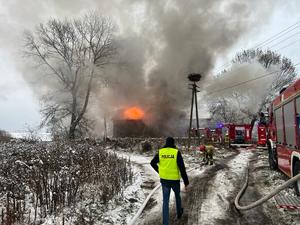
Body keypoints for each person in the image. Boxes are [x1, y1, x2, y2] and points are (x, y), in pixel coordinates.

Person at [150, 137, 189, 225]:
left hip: (165, 181)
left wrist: (159, 171)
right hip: (175, 180)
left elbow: (152, 163)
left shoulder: (161, 152)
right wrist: (186, 182)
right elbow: (182, 168)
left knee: (166, 201)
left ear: (166, 143)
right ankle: (179, 213)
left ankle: (165, 223)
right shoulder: (176, 152)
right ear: (173, 143)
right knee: (177, 196)